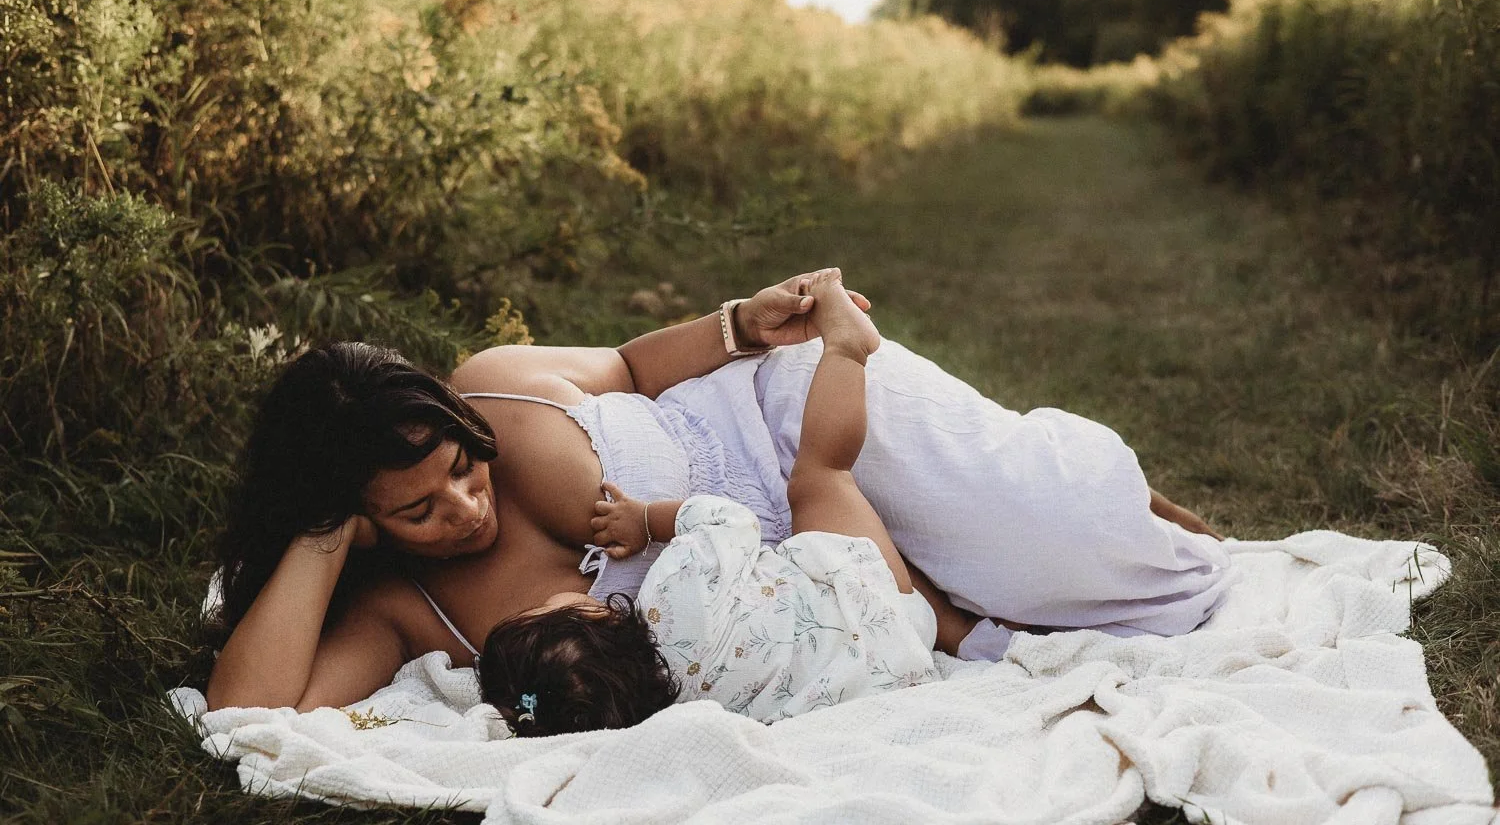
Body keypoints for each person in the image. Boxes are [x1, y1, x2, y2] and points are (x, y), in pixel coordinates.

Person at [206, 268, 1227, 712]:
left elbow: (626, 365)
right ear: (362, 525)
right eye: (419, 510)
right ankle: (1061, 502)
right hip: (838, 568)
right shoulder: (403, 610)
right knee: (1075, 603)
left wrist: (742, 321)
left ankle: (1088, 483)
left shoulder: (493, 381)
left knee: (1073, 543)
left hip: (797, 418)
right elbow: (250, 706)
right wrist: (320, 529)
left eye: (466, 470)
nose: (468, 508)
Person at [479, 270, 954, 734]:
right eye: (536, 612)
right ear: (591, 614)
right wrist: (645, 520)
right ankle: (848, 347)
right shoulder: (670, 595)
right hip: (870, 598)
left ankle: (966, 631)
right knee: (822, 475)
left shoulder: (680, 712)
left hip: (895, 666)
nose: (532, 603)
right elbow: (729, 522)